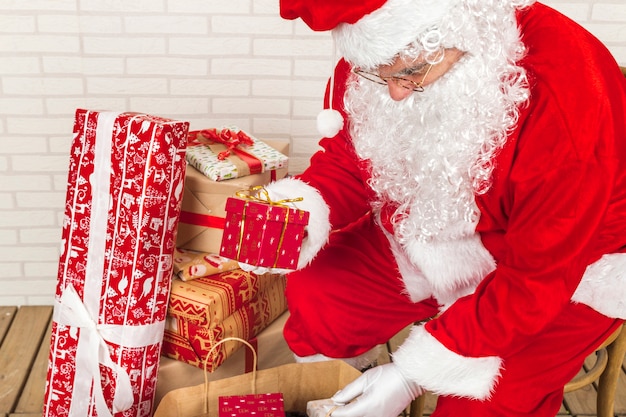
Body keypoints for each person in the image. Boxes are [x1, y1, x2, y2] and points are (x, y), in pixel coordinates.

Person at [258, 0, 626, 415]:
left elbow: (539, 274)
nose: (394, 93)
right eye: (379, 75)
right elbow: (351, 159)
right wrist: (295, 214)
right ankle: (340, 399)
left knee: (481, 406)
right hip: (435, 230)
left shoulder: (568, 90)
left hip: (570, 267)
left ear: (463, 30)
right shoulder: (381, 51)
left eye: (411, 73)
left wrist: (409, 376)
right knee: (319, 292)